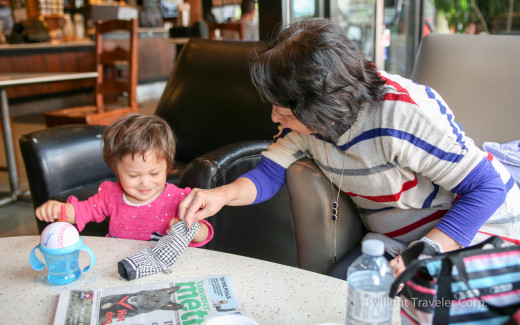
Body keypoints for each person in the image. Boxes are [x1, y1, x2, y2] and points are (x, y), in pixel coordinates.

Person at [178, 18, 520, 278]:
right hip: (396, 242)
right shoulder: (308, 124)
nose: (275, 117)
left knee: (433, 314)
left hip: (479, 228)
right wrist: (220, 196)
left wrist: (426, 250)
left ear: (321, 104)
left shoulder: (401, 114)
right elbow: (269, 174)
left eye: (283, 110)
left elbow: (486, 188)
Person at [35, 113, 213, 247]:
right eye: (133, 176)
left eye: (154, 173)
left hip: (161, 266)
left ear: (168, 166)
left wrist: (191, 229)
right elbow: (83, 210)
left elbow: (205, 233)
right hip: (117, 265)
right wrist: (59, 210)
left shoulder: (180, 199)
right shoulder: (110, 194)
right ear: (115, 169)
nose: (145, 182)